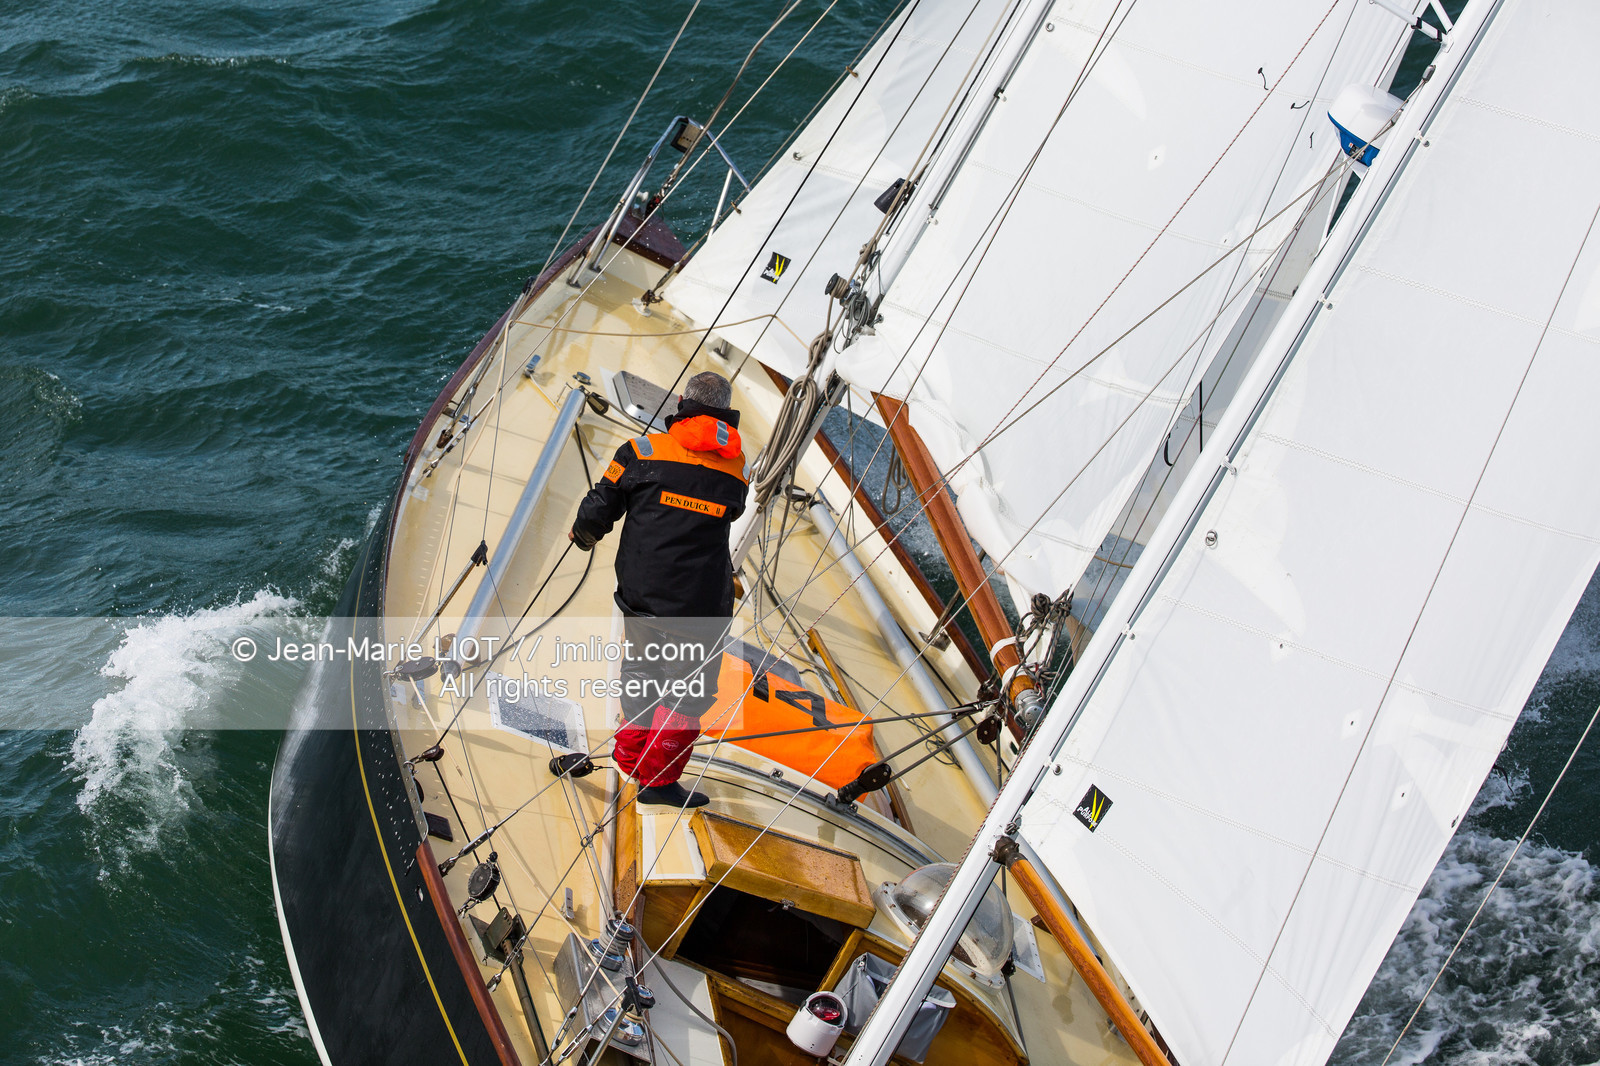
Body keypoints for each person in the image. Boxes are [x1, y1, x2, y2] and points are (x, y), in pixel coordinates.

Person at [569, 371, 748, 807]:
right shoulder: (736, 470)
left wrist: (584, 535)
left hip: (640, 596)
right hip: (699, 606)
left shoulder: (639, 450)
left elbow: (600, 505)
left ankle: (630, 760)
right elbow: (734, 511)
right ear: (725, 415)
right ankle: (658, 782)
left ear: (683, 402)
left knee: (641, 672)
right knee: (686, 693)